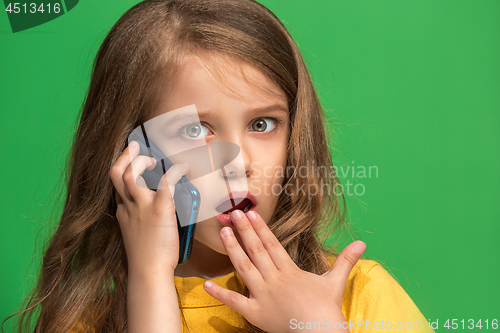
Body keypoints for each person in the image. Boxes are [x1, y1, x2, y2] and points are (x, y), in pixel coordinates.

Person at [7, 0, 434, 332]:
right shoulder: (85, 319)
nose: (240, 162)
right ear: (134, 154)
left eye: (262, 124)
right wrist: (150, 279)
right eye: (195, 131)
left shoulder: (356, 297)